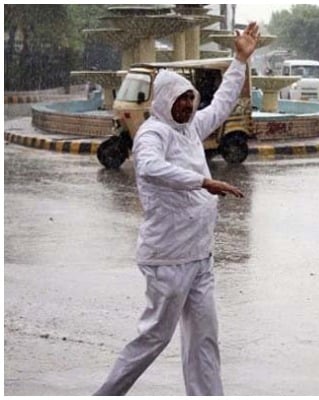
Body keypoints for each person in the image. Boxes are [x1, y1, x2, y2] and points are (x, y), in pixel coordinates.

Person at [93, 22, 260, 396]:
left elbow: (222, 103)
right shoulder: (154, 133)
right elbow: (149, 167)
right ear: (165, 99)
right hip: (168, 260)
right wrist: (203, 181)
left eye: (190, 98)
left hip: (200, 257)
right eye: (180, 99)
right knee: (154, 339)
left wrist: (239, 60)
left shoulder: (191, 129)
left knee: (204, 341)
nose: (187, 104)